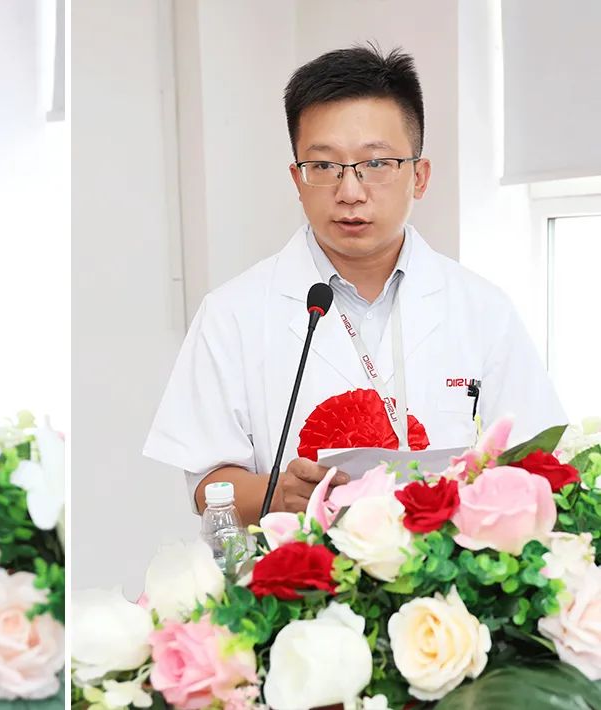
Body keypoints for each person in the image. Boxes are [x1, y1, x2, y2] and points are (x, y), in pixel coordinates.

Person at [143, 45, 565, 525]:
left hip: (446, 570)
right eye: (324, 166)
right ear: (297, 179)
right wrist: (276, 495)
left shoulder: (483, 310)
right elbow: (206, 486)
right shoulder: (232, 313)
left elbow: (538, 464)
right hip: (294, 567)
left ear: (419, 176)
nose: (350, 192)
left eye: (377, 164)